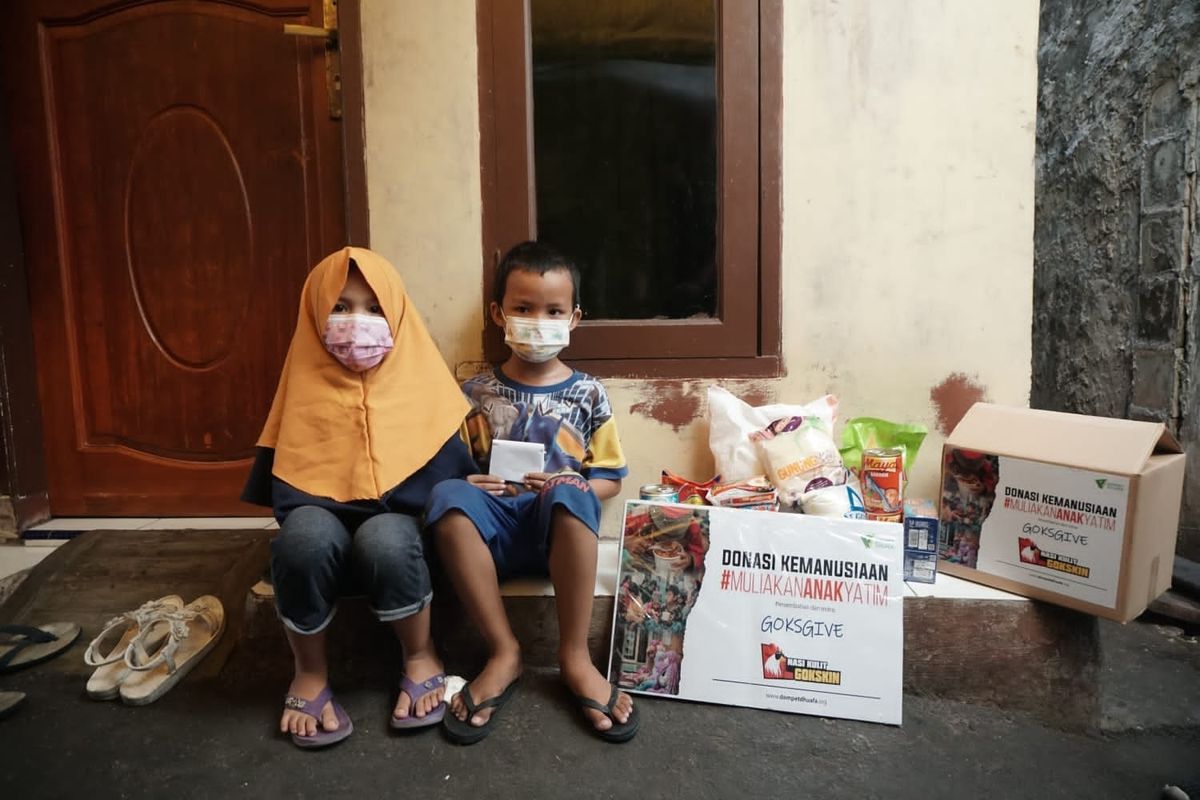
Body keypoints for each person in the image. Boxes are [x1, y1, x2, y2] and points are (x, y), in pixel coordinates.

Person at [242, 247, 474, 749]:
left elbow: (449, 495)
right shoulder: (302, 388)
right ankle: (309, 672)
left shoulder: (427, 388)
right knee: (302, 536)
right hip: (323, 554)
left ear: (398, 314)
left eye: (374, 308)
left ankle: (420, 655)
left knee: (388, 535)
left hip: (398, 560)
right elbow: (288, 501)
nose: (357, 322)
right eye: (340, 307)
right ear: (313, 314)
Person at [425, 241, 639, 744]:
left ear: (574, 318)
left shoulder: (588, 393)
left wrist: (575, 482)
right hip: (491, 537)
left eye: (553, 310)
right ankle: (504, 651)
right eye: (523, 308)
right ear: (499, 314)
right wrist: (465, 482)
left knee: (576, 494)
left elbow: (610, 476)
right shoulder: (473, 394)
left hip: (558, 540)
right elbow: (451, 477)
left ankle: (575, 657)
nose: (537, 320)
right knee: (446, 500)